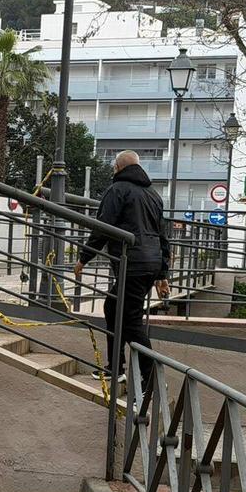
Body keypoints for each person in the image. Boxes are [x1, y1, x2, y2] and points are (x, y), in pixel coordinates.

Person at [74, 150, 171, 390]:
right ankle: (115, 367)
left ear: (117, 168)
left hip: (133, 264)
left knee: (130, 321)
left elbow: (102, 227)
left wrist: (84, 258)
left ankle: (151, 377)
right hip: (150, 263)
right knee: (114, 307)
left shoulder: (117, 190)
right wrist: (162, 274)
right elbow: (162, 236)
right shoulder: (153, 195)